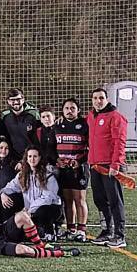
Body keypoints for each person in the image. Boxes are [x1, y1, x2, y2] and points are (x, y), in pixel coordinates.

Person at [87, 87, 128, 248]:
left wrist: (116, 164)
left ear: (107, 99)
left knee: (115, 200)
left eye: (101, 98)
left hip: (110, 166)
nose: (98, 101)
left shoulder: (116, 117)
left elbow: (120, 142)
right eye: (95, 98)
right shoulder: (91, 116)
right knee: (99, 200)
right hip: (95, 165)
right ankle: (106, 231)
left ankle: (119, 235)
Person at [0, 145, 62, 242]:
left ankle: (49, 231)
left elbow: (47, 198)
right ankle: (7, 228)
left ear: (40, 158)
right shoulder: (22, 175)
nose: (32, 159)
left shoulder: (48, 175)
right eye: (30, 156)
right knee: (7, 201)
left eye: (35, 156)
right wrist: (3, 194)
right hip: (31, 211)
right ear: (26, 158)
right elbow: (10, 187)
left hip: (50, 208)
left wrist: (29, 211)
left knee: (42, 211)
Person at [55, 98, 90, 242]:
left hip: (79, 169)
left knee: (79, 200)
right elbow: (52, 147)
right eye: (67, 108)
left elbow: (91, 148)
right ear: (62, 111)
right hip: (63, 169)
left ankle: (81, 230)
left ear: (78, 110)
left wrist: (80, 161)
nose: (69, 111)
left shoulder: (85, 125)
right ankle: (71, 229)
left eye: (72, 108)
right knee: (67, 200)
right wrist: (57, 160)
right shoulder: (57, 125)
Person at [0, 88, 40, 159]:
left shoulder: (34, 114)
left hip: (31, 157)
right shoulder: (4, 116)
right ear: (8, 101)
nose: (16, 102)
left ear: (23, 100)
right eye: (12, 100)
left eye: (18, 99)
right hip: (12, 157)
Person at [0, 137, 21, 223]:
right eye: (1, 147)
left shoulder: (14, 164)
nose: (3, 150)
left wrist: (21, 163)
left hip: (9, 205)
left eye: (6, 148)